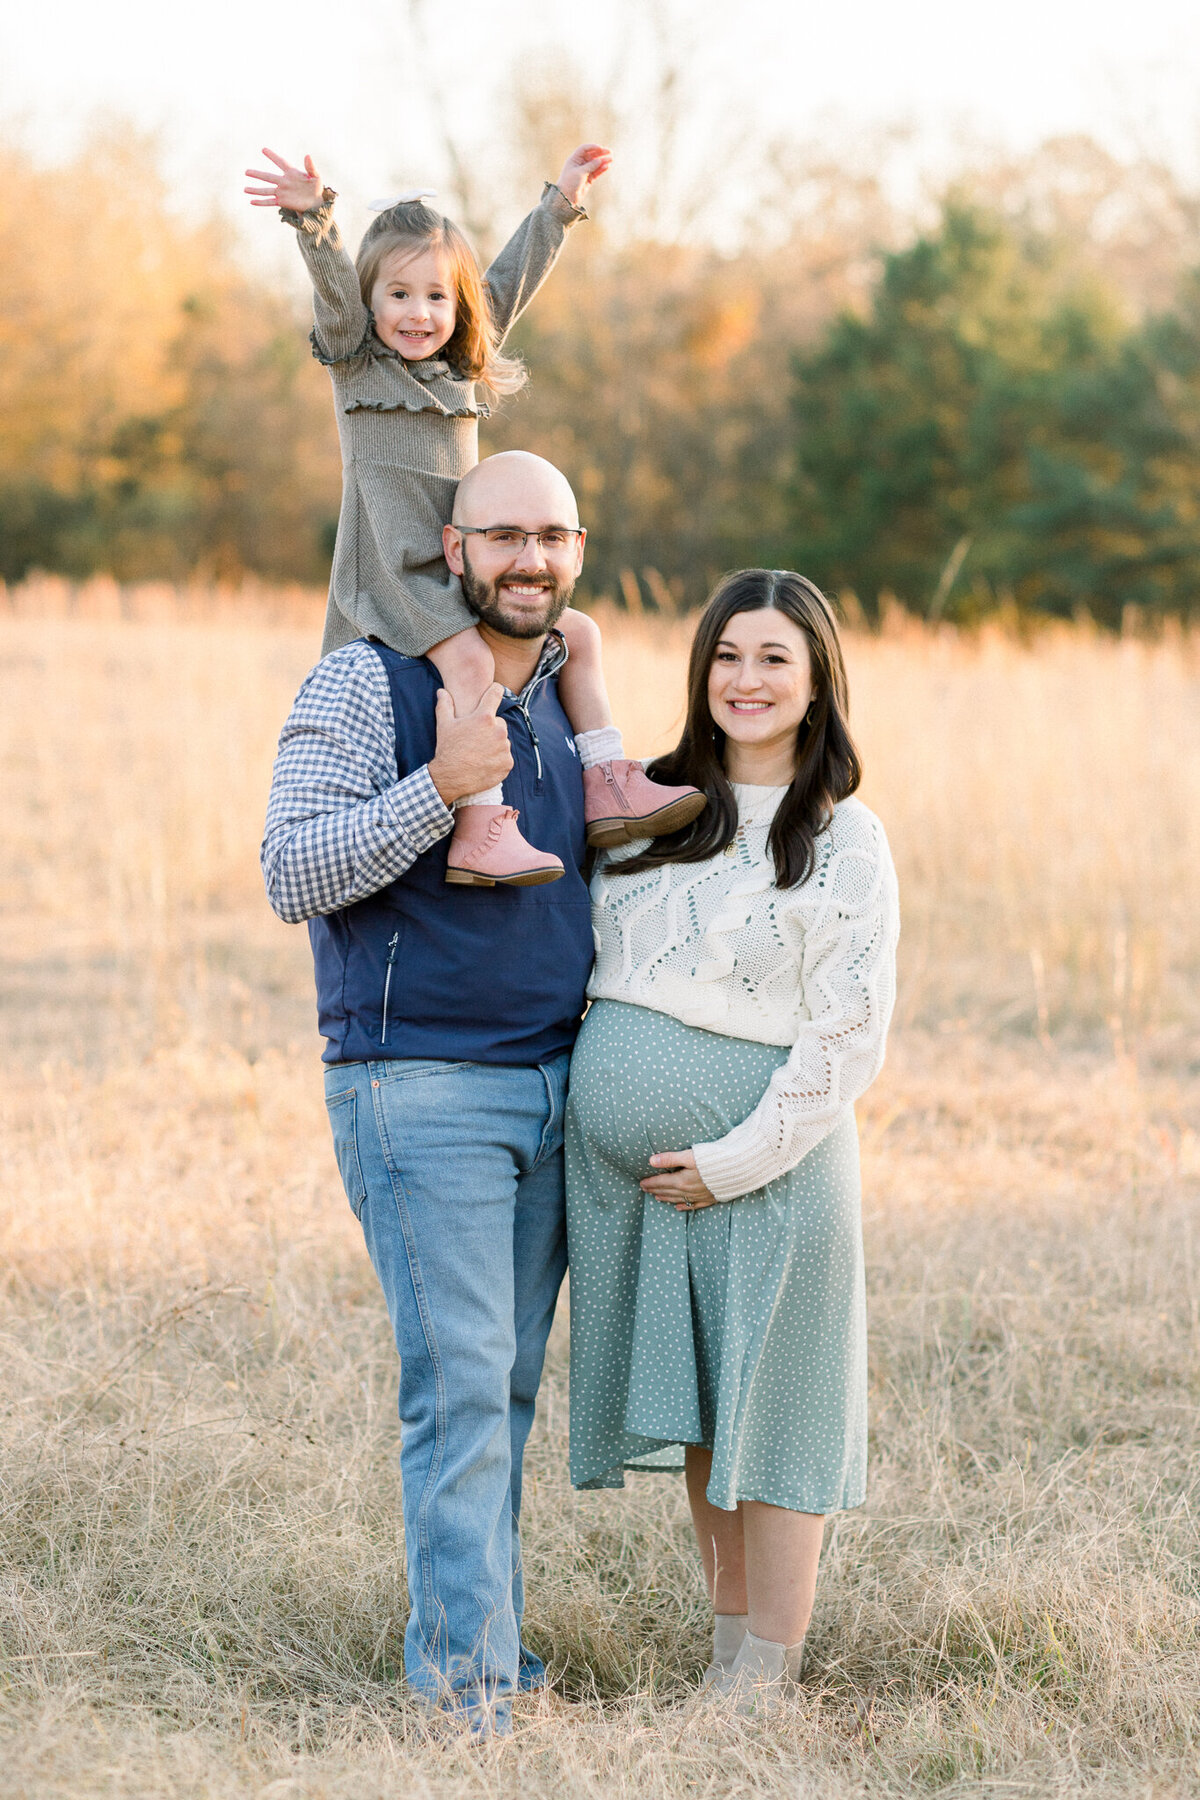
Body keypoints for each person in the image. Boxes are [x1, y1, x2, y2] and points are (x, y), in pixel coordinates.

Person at [261, 450, 693, 1738]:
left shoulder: (570, 696)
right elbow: (291, 872)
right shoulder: (365, 680)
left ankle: (482, 1648)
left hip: (556, 1092)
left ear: (577, 550)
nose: (529, 560)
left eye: (553, 536)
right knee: (457, 1386)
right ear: (450, 550)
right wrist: (436, 791)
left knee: (500, 1385)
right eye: (501, 535)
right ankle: (466, 1695)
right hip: (421, 1089)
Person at [565, 568, 900, 1707]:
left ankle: (769, 1673)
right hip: (647, 1187)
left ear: (816, 688)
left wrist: (738, 1159)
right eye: (726, 656)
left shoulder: (847, 840)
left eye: (773, 660)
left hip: (767, 1170)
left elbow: (849, 1032)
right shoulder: (646, 807)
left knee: (778, 1411)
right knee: (703, 1408)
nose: (745, 680)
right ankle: (727, 1652)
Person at [245, 142, 701, 884]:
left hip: (459, 570)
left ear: (457, 309)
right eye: (397, 294)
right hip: (396, 575)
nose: (417, 312)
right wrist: (315, 220)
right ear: (370, 302)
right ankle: (481, 824)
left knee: (578, 633)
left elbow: (510, 282)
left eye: (435, 296)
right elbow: (331, 291)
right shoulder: (358, 367)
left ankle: (605, 779)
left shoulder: (460, 370)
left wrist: (560, 206)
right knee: (470, 658)